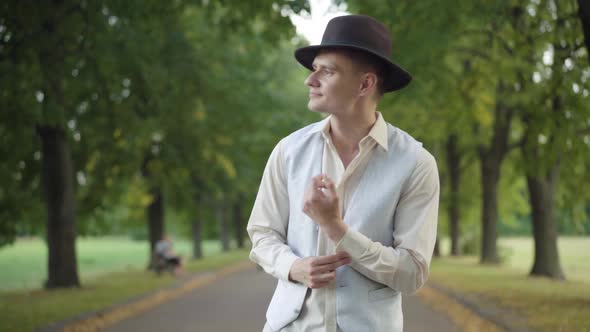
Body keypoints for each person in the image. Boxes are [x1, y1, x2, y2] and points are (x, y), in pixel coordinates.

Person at [247, 15, 440, 332]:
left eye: (328, 71)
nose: (311, 80)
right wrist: (294, 267)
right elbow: (262, 235)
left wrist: (336, 229)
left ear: (365, 84)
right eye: (314, 69)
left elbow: (412, 273)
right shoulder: (288, 151)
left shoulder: (416, 163)